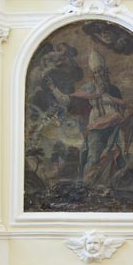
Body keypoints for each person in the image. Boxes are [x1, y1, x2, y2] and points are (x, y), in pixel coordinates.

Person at [46, 50, 127, 187]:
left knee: (115, 155)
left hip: (114, 126)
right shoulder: (89, 89)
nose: (99, 75)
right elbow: (68, 100)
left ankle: (111, 185)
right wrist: (54, 89)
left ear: (106, 72)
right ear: (93, 75)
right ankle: (88, 187)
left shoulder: (113, 90)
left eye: (101, 71)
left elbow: (122, 107)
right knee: (93, 157)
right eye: (96, 72)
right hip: (95, 127)